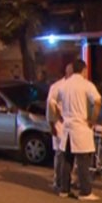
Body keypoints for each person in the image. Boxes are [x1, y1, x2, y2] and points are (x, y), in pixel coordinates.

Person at [53, 59, 102, 201]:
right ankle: (85, 192)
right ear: (84, 70)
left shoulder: (64, 85)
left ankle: (64, 189)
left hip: (67, 128)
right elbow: (98, 102)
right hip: (81, 127)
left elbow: (53, 103)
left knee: (67, 160)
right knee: (83, 162)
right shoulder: (86, 85)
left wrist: (60, 117)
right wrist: (93, 120)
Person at [46, 63, 73, 193]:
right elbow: (50, 105)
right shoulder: (57, 87)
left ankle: (67, 180)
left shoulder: (75, 87)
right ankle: (58, 181)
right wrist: (52, 124)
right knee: (60, 154)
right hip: (59, 125)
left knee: (70, 154)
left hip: (72, 126)